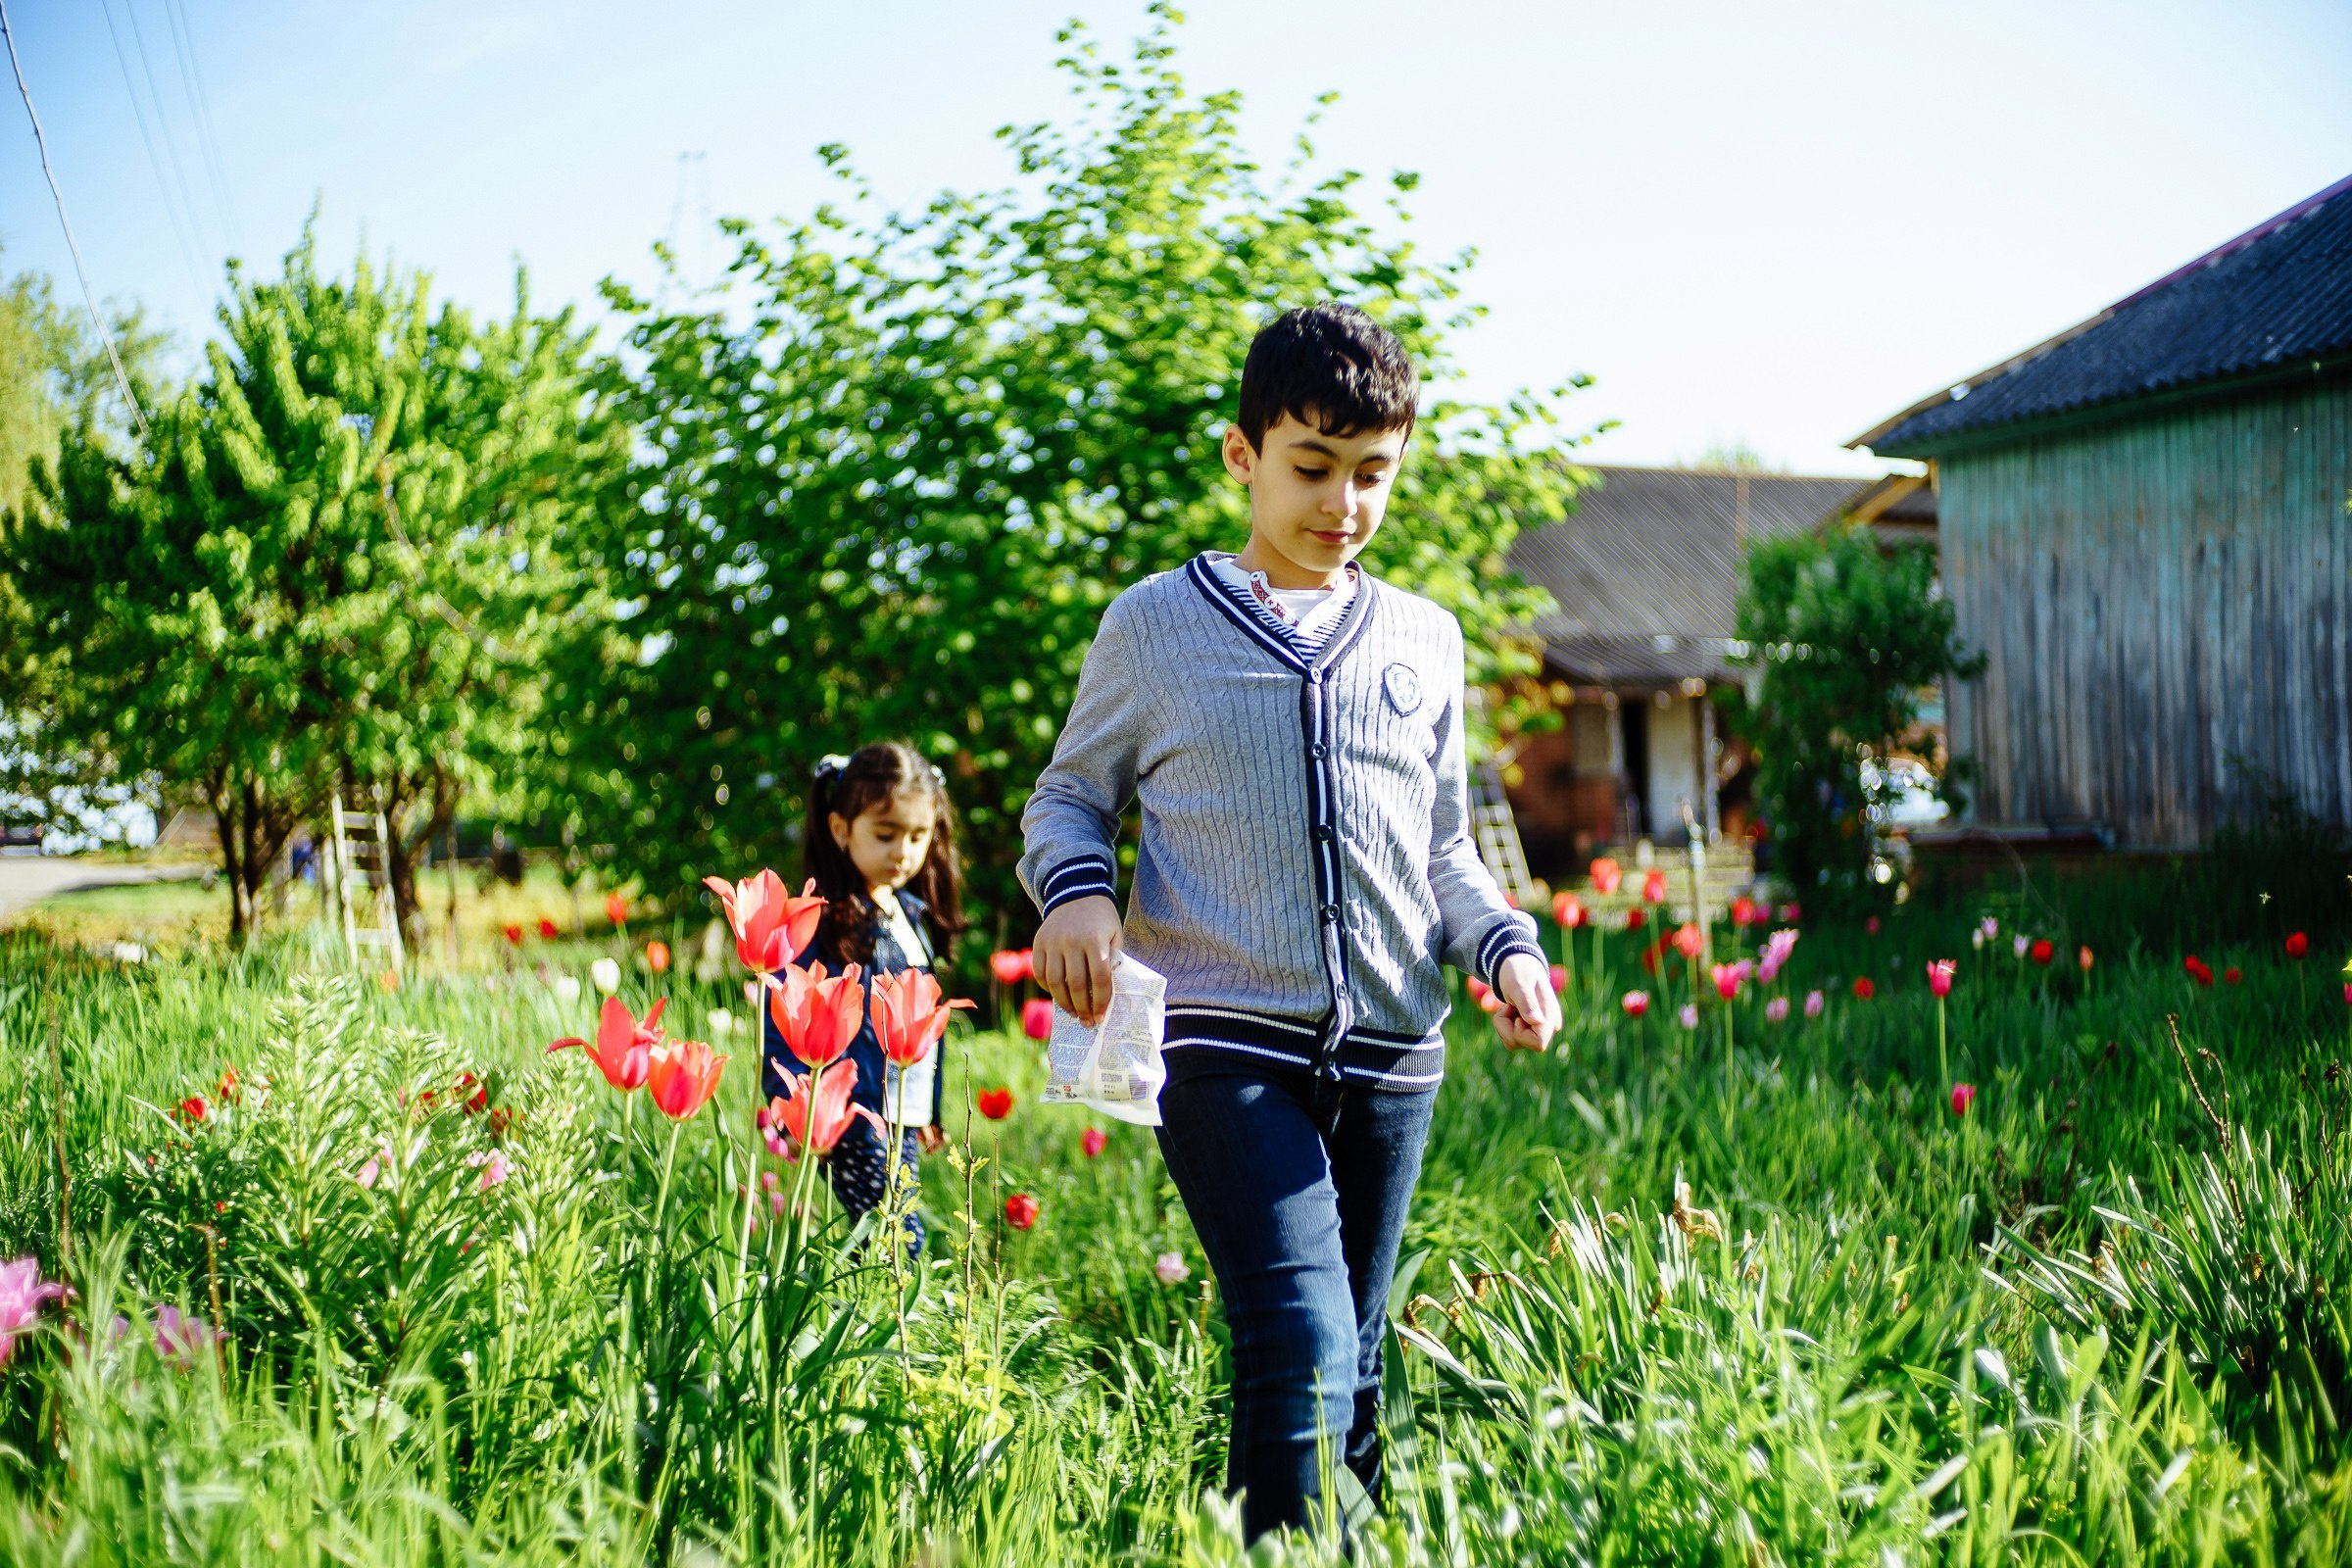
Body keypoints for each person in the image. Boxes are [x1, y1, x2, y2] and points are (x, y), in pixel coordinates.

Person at [1019, 303, 1561, 1542]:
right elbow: (1067, 799)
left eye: (1372, 473)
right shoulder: (1153, 626)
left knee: (1351, 1360)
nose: (1342, 502)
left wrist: (1507, 948)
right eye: (1312, 467)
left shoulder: (1425, 637)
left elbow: (1444, 850)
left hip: (1392, 1056)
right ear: (1242, 456)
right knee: (1302, 1332)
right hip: (1221, 1044)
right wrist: (1079, 890)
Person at [765, 742, 968, 1251]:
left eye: (918, 836)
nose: (903, 851)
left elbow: (922, 1028)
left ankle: (871, 1300)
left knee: (885, 1234)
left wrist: (928, 1111)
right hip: (852, 1115)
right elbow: (787, 1013)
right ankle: (888, 1301)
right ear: (841, 829)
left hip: (901, 1113)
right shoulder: (825, 925)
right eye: (886, 834)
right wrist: (788, 1103)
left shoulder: (911, 917)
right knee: (896, 1237)